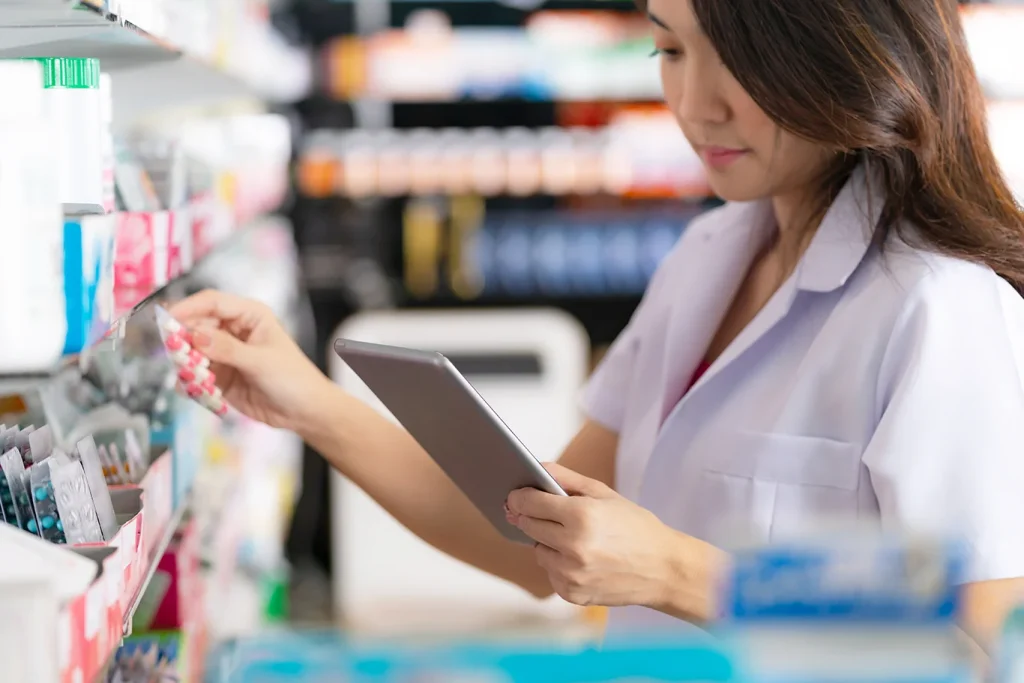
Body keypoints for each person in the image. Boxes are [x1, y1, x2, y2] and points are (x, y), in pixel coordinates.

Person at [172, 0, 1024, 654]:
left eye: (738, 57)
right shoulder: (710, 255)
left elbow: (991, 628)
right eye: (671, 49)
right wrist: (308, 402)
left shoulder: (938, 306)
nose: (695, 104)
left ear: (841, 55)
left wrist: (679, 572)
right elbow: (530, 535)